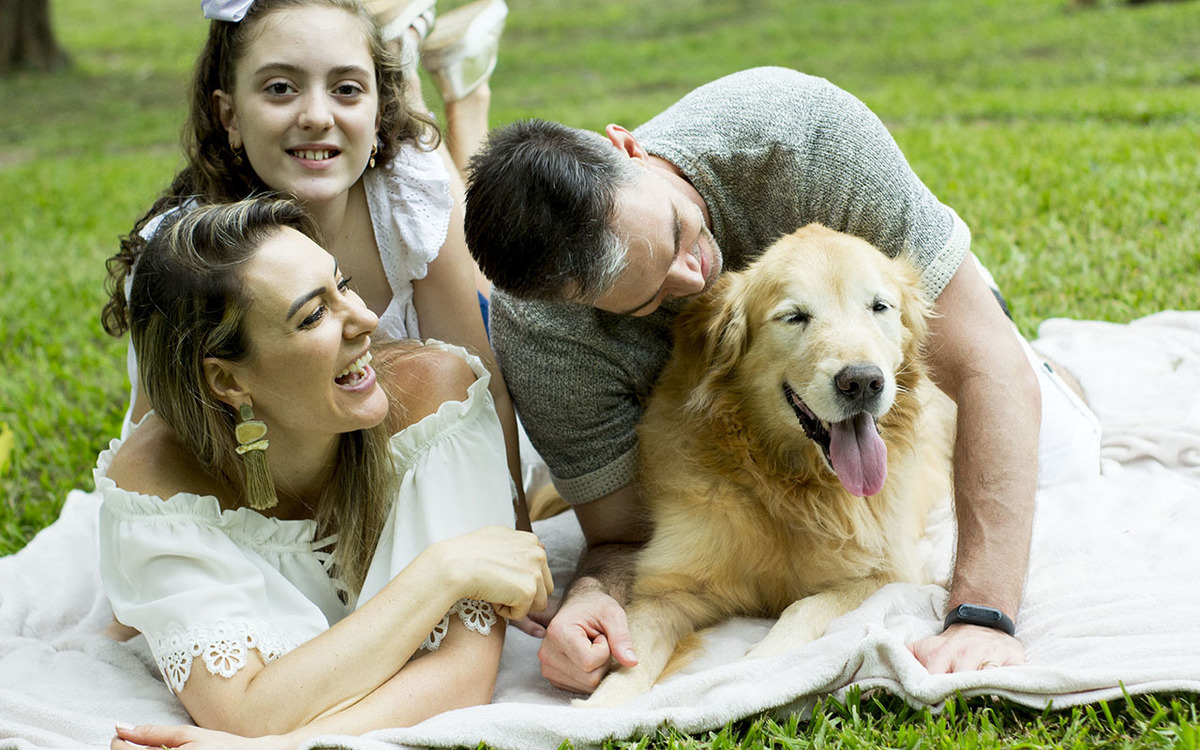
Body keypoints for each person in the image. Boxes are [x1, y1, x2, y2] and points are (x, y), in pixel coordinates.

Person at [463, 67, 1103, 692]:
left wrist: (982, 616)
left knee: (1061, 453)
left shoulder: (803, 132)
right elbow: (623, 535)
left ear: (627, 146)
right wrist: (592, 598)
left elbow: (988, 368)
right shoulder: (545, 340)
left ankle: (1044, 359)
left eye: (677, 232)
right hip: (731, 435)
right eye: (652, 295)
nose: (696, 277)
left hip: (921, 351)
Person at [99, 198, 553, 749]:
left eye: (345, 285)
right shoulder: (157, 490)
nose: (365, 320)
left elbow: (461, 675)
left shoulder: (438, 404)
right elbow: (243, 713)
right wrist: (443, 571)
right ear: (228, 381)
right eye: (313, 315)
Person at [99, 0, 531, 517]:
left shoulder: (406, 206)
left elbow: (484, 397)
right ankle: (414, 57)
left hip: (408, 479)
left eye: (347, 89)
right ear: (229, 115)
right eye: (280, 88)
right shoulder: (184, 258)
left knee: (490, 284)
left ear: (378, 112)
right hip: (257, 511)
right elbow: (160, 457)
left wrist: (516, 533)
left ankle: (427, 72)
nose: (316, 116)